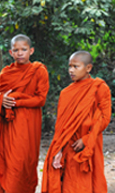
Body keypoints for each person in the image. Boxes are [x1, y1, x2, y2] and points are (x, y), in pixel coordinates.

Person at [0, 34, 49, 193]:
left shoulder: (39, 71)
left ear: (31, 51)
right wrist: (1, 100)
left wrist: (16, 102)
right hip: (9, 125)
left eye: (24, 49)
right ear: (10, 52)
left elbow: (40, 100)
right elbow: (0, 98)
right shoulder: (6, 73)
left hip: (29, 126)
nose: (20, 53)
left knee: (24, 163)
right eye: (16, 50)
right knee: (8, 163)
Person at [41, 51, 111, 193]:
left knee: (89, 182)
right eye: (69, 66)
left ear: (88, 68)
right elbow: (60, 125)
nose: (71, 70)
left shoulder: (99, 88)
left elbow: (104, 118)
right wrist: (58, 148)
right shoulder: (66, 93)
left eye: (76, 66)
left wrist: (86, 139)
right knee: (69, 184)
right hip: (69, 145)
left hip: (89, 144)